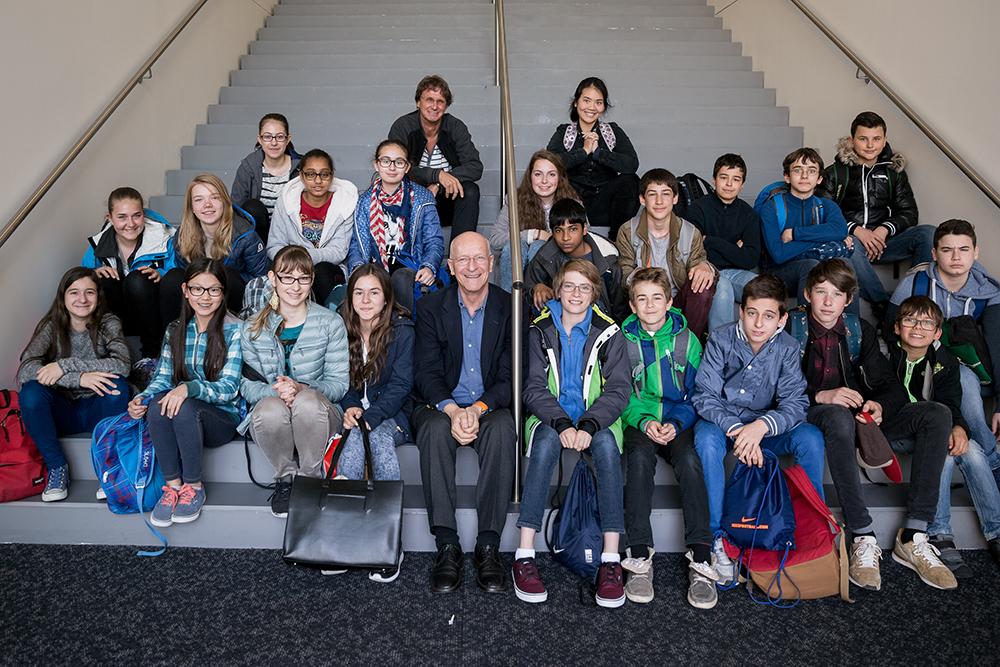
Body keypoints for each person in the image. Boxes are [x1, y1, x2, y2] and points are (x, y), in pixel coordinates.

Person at [789, 260, 955, 591]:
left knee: (935, 413)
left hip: (859, 419)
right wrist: (822, 395)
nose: (827, 302)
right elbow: (775, 389)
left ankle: (914, 534)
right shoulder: (792, 328)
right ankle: (862, 534)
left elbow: (889, 386)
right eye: (820, 292)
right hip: (809, 413)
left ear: (848, 299)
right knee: (837, 416)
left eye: (837, 294)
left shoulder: (858, 330)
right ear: (807, 294)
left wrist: (880, 405)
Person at [691, 274, 825, 585]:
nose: (758, 323)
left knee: (810, 437)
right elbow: (705, 396)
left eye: (768, 316)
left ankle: (811, 528)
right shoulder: (721, 339)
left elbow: (795, 403)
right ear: (741, 311)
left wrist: (761, 426)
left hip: (765, 430)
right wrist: (740, 430)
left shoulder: (788, 347)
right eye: (752, 313)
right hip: (724, 426)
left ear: (782, 319)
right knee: (706, 439)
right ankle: (716, 538)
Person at [514, 260, 630, 607]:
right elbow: (534, 388)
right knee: (545, 446)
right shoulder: (540, 328)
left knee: (606, 448)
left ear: (594, 293)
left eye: (584, 287)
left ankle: (610, 559)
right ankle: (524, 553)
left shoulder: (609, 331)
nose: (576, 294)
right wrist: (562, 423)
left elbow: (619, 390)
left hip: (597, 419)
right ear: (558, 289)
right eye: (569, 286)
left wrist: (590, 424)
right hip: (551, 418)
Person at [410, 232, 515, 594]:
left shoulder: (511, 307)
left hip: (490, 404)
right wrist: (454, 410)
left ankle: (488, 545)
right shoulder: (430, 307)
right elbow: (425, 372)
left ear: (492, 263)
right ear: (451, 267)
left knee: (502, 430)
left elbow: (511, 375)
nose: (472, 267)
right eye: (463, 260)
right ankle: (447, 545)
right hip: (441, 404)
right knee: (434, 430)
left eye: (479, 258)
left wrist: (478, 409)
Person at [618, 268, 718, 609]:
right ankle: (639, 554)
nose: (650, 305)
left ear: (670, 302)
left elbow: (698, 393)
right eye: (642, 299)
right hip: (641, 420)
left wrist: (676, 423)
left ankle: (701, 557)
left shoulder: (687, 340)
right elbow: (619, 392)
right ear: (632, 306)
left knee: (690, 461)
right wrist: (644, 421)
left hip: (678, 419)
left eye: (656, 298)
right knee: (638, 461)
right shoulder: (622, 341)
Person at [889, 296, 1000, 576]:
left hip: (934, 429)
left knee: (971, 451)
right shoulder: (884, 355)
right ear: (897, 327)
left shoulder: (945, 361)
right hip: (894, 430)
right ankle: (939, 532)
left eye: (927, 323)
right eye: (910, 320)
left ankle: (996, 531)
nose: (918, 327)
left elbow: (951, 402)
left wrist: (959, 428)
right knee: (941, 449)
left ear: (938, 333)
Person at [129, 259, 243, 528]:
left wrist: (188, 388)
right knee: (157, 403)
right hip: (184, 417)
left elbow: (230, 388)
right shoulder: (175, 329)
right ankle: (173, 486)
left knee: (184, 405)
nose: (205, 297)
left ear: (223, 293)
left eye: (213, 290)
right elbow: (162, 378)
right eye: (197, 289)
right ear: (185, 291)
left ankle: (194, 486)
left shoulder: (235, 330)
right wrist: (141, 398)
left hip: (222, 420)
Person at [887, 219, 1000, 486]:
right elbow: (893, 333)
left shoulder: (989, 291)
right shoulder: (914, 283)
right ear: (934, 253)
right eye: (947, 250)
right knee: (956, 377)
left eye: (964, 249)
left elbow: (997, 347)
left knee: (964, 378)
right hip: (924, 366)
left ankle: (990, 460)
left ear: (976, 252)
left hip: (970, 368)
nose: (956, 257)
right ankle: (993, 462)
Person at [239, 246, 348, 518]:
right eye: (287, 277)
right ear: (273, 278)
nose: (295, 286)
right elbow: (247, 385)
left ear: (312, 280)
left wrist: (301, 389)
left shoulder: (330, 322)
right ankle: (285, 479)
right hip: (273, 412)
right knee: (268, 408)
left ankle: (310, 479)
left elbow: (338, 384)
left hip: (319, 413)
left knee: (307, 401)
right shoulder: (252, 328)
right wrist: (278, 391)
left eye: (303, 278)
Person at [17, 267, 131, 502]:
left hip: (98, 410)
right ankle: (57, 467)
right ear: (63, 296)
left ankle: (108, 466)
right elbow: (25, 369)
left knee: (118, 386)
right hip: (63, 411)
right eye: (74, 292)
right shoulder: (51, 325)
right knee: (30, 393)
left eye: (89, 292)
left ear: (98, 296)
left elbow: (122, 365)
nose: (82, 299)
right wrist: (78, 379)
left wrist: (65, 365)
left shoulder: (108, 322)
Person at [337, 264, 415, 583]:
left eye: (374, 293)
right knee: (357, 437)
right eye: (359, 293)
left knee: (377, 437)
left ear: (386, 298)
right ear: (350, 297)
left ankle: (389, 542)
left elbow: (401, 386)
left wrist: (369, 418)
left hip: (394, 416)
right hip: (356, 415)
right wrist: (351, 406)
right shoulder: (341, 327)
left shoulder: (402, 331)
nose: (366, 300)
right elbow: (339, 379)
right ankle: (342, 537)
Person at [818, 111, 929, 316]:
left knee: (928, 233)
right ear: (852, 140)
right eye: (863, 139)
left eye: (876, 139)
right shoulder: (835, 173)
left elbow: (909, 212)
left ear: (884, 140)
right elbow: (822, 211)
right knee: (850, 243)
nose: (870, 145)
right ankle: (884, 306)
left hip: (885, 243)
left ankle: (918, 301)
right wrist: (857, 230)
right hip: (852, 243)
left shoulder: (893, 172)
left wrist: (884, 229)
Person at [616, 168, 716, 339]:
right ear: (642, 199)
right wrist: (641, 277)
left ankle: (688, 342)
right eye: (652, 194)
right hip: (645, 298)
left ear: (675, 198)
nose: (659, 201)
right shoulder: (627, 230)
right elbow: (624, 272)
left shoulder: (690, 232)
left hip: (677, 300)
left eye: (666, 194)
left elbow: (698, 262)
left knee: (704, 287)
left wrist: (705, 266)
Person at [347, 139, 444, 313]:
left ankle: (403, 324)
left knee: (401, 277)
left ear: (407, 167)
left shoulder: (422, 198)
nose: (392, 167)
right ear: (376, 165)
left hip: (411, 266)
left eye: (399, 162)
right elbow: (357, 244)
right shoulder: (364, 201)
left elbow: (434, 240)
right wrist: (357, 268)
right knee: (371, 280)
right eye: (386, 161)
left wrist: (429, 266)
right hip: (377, 266)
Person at [82, 187, 177, 358]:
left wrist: (161, 274)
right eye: (122, 217)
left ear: (143, 215)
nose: (131, 223)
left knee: (138, 280)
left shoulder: (164, 240)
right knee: (102, 278)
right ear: (109, 218)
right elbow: (81, 279)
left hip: (154, 316)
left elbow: (178, 273)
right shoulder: (98, 245)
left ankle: (152, 355)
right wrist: (94, 273)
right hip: (120, 318)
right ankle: (110, 350)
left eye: (136, 215)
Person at [161, 174, 267, 321]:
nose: (207, 204)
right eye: (199, 199)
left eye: (215, 197)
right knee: (173, 278)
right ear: (192, 208)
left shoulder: (246, 235)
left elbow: (260, 280)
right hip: (198, 293)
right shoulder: (182, 235)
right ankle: (175, 331)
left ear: (225, 202)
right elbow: (181, 271)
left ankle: (228, 330)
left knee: (225, 274)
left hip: (232, 296)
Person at [389, 75, 483, 236]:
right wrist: (437, 175)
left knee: (470, 190)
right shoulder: (403, 126)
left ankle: (461, 249)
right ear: (418, 102)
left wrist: (439, 184)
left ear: (446, 106)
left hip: (446, 200)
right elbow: (398, 167)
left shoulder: (455, 126)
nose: (434, 106)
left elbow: (475, 166)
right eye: (429, 100)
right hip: (413, 199)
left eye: (440, 101)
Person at [547, 77, 639, 239]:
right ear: (576, 103)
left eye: (598, 102)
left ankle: (617, 239)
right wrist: (584, 151)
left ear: (603, 107)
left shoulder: (612, 131)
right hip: (572, 202)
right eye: (586, 100)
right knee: (556, 178)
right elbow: (550, 164)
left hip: (604, 204)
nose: (591, 107)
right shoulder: (564, 132)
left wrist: (598, 153)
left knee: (631, 180)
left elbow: (631, 164)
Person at [758, 148, 851, 304]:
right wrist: (826, 240)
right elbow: (778, 254)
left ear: (819, 179)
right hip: (778, 275)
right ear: (787, 177)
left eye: (812, 171)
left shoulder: (826, 206)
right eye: (797, 170)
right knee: (810, 265)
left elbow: (840, 230)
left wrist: (794, 234)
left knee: (846, 265)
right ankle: (802, 318)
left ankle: (851, 319)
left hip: (819, 271)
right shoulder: (772, 207)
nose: (804, 176)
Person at [268, 148, 359, 307]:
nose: (318, 180)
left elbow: (338, 251)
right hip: (290, 266)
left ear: (332, 176)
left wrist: (302, 257)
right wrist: (295, 263)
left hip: (330, 269)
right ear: (301, 176)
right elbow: (274, 246)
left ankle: (326, 318)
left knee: (321, 271)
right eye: (310, 174)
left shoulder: (345, 204)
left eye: (324, 174)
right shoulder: (287, 201)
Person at [685, 154, 761, 330]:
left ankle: (755, 342)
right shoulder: (698, 209)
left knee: (762, 288)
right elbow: (691, 250)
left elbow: (750, 259)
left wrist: (710, 241)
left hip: (737, 272)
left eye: (736, 179)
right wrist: (735, 249)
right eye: (723, 177)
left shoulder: (748, 214)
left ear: (742, 185)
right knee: (723, 288)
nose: (729, 184)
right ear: (714, 180)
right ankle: (720, 345)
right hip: (707, 270)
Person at [524, 198, 628, 322]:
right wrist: (536, 288)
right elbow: (526, 290)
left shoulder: (607, 260)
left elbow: (619, 309)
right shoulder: (545, 256)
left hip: (600, 324)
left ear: (584, 229)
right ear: (552, 232)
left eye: (573, 229)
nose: (565, 237)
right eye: (559, 230)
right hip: (560, 324)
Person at [489, 150, 579, 292]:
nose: (544, 181)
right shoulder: (515, 199)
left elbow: (583, 238)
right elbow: (495, 240)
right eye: (538, 174)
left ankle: (537, 301)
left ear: (560, 177)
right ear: (530, 176)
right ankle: (509, 301)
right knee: (513, 247)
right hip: (517, 261)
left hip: (557, 265)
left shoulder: (572, 202)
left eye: (551, 174)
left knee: (539, 246)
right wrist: (532, 234)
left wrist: (550, 240)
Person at [230, 112, 301, 245]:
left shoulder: (301, 168)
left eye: (280, 137)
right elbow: (236, 208)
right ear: (260, 139)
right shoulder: (248, 167)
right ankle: (260, 252)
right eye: (267, 137)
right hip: (258, 237)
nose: (274, 142)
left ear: (288, 139)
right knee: (252, 207)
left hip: (291, 236)